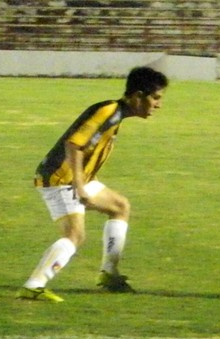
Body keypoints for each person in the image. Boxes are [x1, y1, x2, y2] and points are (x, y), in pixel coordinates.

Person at [16, 67, 169, 302]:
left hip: (79, 178)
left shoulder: (116, 113)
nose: (158, 105)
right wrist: (79, 186)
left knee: (119, 206)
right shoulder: (107, 111)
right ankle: (34, 284)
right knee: (75, 235)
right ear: (138, 95)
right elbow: (74, 144)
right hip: (61, 178)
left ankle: (109, 274)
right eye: (155, 98)